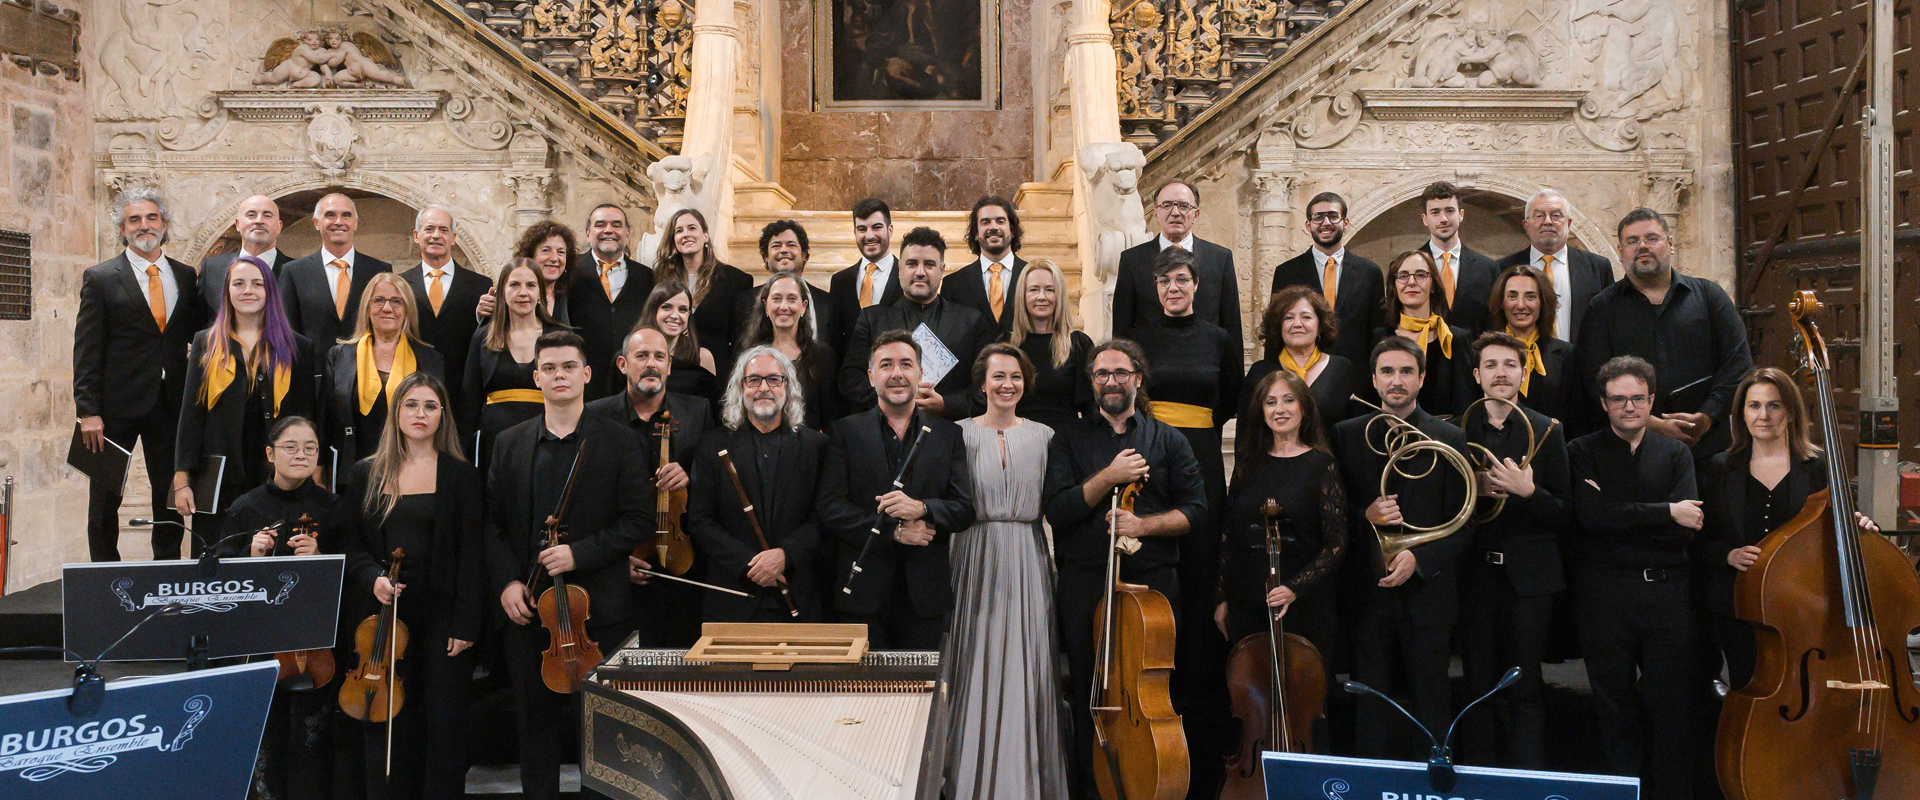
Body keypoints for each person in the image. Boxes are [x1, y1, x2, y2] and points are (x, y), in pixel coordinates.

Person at [484, 330, 649, 800]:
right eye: (550, 368)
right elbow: (492, 524)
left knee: (603, 733)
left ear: (587, 374)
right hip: (530, 610)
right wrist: (508, 582)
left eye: (569, 367)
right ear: (536, 378)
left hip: (599, 612)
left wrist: (580, 553)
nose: (560, 376)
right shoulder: (509, 443)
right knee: (534, 730)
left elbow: (637, 520)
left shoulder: (618, 441)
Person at [1043, 339, 1204, 799]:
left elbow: (1196, 511)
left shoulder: (1169, 439)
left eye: (1120, 373)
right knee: (1090, 692)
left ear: (1138, 378)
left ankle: (1151, 783)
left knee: (1152, 692)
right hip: (1086, 583)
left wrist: (1143, 525)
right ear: (1092, 381)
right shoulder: (1069, 439)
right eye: (1101, 374)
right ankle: (1095, 790)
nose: (1111, 382)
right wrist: (1109, 477)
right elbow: (1059, 510)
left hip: (1152, 586)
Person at [337, 372, 485, 800]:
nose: (421, 414)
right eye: (411, 405)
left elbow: (472, 555)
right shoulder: (367, 473)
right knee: (388, 722)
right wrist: (373, 578)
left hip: (443, 616)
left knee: (444, 723)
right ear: (396, 412)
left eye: (430, 406)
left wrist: (467, 622)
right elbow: (349, 543)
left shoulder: (461, 476)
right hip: (384, 616)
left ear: (443, 415)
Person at [1126, 247, 1242, 791]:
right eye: (1164, 281)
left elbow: (1230, 397)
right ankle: (1155, 679)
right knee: (1156, 562)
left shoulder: (1218, 338)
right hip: (1152, 457)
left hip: (1203, 451)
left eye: (1181, 279)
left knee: (1201, 564)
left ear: (1196, 285)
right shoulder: (1138, 337)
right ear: (1155, 289)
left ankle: (1199, 691)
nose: (1173, 288)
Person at [1330, 337, 1474, 758]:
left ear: (1422, 378)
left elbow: (1464, 521)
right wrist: (1365, 515)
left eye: (1407, 371)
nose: (1397, 380)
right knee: (1370, 702)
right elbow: (1330, 513)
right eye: (1388, 372)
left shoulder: (1450, 436)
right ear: (1374, 380)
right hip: (1368, 594)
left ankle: (1436, 780)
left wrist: (1421, 558)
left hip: (1428, 595)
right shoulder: (1346, 435)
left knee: (1433, 699)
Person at [1567, 355, 1701, 800]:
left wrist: (1620, 514)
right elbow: (1591, 518)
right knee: (1614, 708)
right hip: (1605, 597)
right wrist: (1666, 511)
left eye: (1638, 398)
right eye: (1619, 399)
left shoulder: (1677, 453)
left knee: (1671, 709)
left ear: (1652, 400)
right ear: (1604, 403)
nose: (1629, 406)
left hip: (1666, 595)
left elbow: (1687, 528)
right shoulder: (1581, 451)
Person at [1699, 366, 1880, 689]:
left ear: (1792, 412)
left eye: (1774, 405)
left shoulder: (1818, 466)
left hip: (1803, 603)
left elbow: (1843, 524)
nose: (1763, 415)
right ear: (1741, 414)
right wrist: (1728, 555)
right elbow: (1700, 539)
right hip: (1739, 603)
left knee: (1802, 687)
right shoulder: (1720, 468)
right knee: (1747, 685)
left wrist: (1863, 524)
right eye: (1754, 406)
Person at [945, 343, 1068, 798]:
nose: (1007, 384)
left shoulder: (1045, 436)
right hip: (973, 552)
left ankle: (1024, 782)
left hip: (1027, 555)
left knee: (1026, 660)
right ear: (982, 383)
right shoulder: (956, 434)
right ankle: (969, 781)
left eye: (1015, 376)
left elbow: (1057, 503)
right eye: (998, 376)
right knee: (973, 656)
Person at [219, 415, 354, 800]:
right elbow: (218, 579)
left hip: (317, 643)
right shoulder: (246, 508)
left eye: (310, 448)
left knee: (313, 737)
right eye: (290, 447)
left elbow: (354, 567)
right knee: (266, 737)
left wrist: (321, 557)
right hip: (261, 643)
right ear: (269, 454)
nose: (301, 455)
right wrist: (250, 556)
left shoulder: (333, 507)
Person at [1455, 331, 1570, 769]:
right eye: (1490, 365)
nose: (1500, 373)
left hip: (1530, 581)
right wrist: (1472, 490)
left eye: (1509, 365)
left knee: (1526, 685)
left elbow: (1564, 513)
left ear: (1524, 373)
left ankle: (1527, 779)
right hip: (1474, 576)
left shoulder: (1548, 430)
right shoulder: (1457, 430)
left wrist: (1529, 492)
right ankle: (1479, 780)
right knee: (1478, 684)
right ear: (1476, 375)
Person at [817, 330, 974, 648]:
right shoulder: (844, 431)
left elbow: (964, 509)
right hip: (861, 594)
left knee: (922, 682)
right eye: (886, 365)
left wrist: (922, 508)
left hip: (925, 597)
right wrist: (893, 531)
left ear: (920, 373)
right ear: (871, 376)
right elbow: (830, 508)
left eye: (906, 364)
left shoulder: (948, 434)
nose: (897, 373)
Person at [75, 186, 208, 561]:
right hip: (113, 406)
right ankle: (104, 571)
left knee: (169, 491)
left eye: (152, 218)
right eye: (134, 219)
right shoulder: (101, 277)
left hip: (171, 402)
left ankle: (166, 567)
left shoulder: (185, 275)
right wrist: (88, 410)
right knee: (104, 495)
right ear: (122, 229)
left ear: (164, 225)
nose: (144, 225)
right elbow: (86, 348)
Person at [1214, 369, 1345, 746]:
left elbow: (1336, 544)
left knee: (1305, 705)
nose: (1280, 409)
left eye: (1288, 400)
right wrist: (1222, 597)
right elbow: (1229, 534)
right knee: (1253, 702)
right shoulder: (1248, 462)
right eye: (1270, 402)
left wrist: (1293, 588)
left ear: (1304, 408)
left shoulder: (1322, 464)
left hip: (1304, 605)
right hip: (1248, 599)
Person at [1575, 208, 1752, 460]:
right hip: (1633, 452)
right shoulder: (1601, 309)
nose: (1642, 246)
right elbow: (1593, 381)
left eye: (1652, 238)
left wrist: (1706, 417)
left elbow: (1738, 364)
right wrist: (1652, 424)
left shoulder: (1710, 297)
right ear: (1620, 251)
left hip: (1710, 448)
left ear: (1670, 244)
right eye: (1633, 241)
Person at [173, 255, 317, 548]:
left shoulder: (297, 346)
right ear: (227, 292)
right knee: (217, 555)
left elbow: (305, 419)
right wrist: (182, 479)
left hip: (276, 475)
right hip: (218, 474)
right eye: (238, 284)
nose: (247, 290)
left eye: (257, 284)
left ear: (269, 291)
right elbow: (191, 415)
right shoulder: (206, 342)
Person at [585, 326, 713, 647]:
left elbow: (715, 479)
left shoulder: (698, 411)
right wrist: (614, 564)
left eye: (659, 356)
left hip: (682, 566)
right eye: (641, 356)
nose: (651, 364)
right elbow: (590, 498)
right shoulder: (595, 415)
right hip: (620, 569)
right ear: (622, 364)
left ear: (669, 366)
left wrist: (690, 475)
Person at [683, 346, 829, 621]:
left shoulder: (816, 446)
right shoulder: (712, 444)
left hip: (799, 593)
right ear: (741, 388)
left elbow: (824, 517)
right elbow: (700, 521)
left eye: (774, 379)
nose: (764, 388)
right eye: (754, 380)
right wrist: (749, 563)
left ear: (788, 387)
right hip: (733, 596)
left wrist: (785, 555)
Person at [838, 227, 998, 418]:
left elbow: (986, 388)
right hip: (885, 428)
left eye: (929, 264)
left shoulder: (971, 321)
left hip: (949, 428)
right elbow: (850, 379)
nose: (920, 272)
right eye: (912, 264)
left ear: (942, 270)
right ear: (899, 270)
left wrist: (946, 404)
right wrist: (896, 400)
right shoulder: (872, 319)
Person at [322, 272, 446, 472]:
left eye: (396, 301)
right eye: (379, 300)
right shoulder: (339, 356)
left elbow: (440, 422)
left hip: (412, 467)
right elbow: (324, 420)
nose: (387, 308)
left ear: (407, 310)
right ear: (367, 307)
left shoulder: (430, 359)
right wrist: (319, 471)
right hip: (351, 467)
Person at [1113, 179, 1242, 355]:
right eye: (1167, 205)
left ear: (1196, 214)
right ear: (1156, 213)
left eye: (1183, 206)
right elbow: (1121, 330)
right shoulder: (1132, 260)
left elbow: (1232, 326)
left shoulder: (1219, 258)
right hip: (1150, 362)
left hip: (1205, 361)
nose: (1175, 213)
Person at [462, 259, 564, 467]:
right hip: (494, 441)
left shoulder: (559, 337)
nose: (523, 293)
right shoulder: (483, 338)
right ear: (502, 291)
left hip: (548, 438)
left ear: (540, 292)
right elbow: (469, 400)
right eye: (515, 285)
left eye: (531, 285)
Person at [1271, 191, 1386, 366]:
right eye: (1318, 217)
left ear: (1345, 223)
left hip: (1356, 373)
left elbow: (1378, 331)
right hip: (1299, 372)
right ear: (1308, 225)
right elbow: (1275, 329)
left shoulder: (1369, 272)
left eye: (1333, 216)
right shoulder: (1287, 272)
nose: (1326, 223)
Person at [399, 205, 491, 414]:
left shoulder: (480, 285)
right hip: (412, 389)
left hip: (464, 392)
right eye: (429, 229)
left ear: (453, 238)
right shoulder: (400, 284)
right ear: (416, 236)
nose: (436, 235)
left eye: (443, 230)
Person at [1496, 188, 1614, 347]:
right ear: (1526, 225)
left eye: (1556, 216)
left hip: (1582, 359)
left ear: (1569, 224)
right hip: (1523, 357)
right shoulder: (1504, 268)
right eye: (1539, 216)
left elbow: (1610, 321)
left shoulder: (1597, 267)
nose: (1548, 222)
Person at [1240, 285, 1361, 437]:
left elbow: (1354, 431)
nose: (1297, 324)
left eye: (1306, 317)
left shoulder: (1342, 369)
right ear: (1278, 326)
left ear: (1320, 325)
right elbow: (1245, 434)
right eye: (1289, 318)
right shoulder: (1259, 373)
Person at [280, 193, 393, 349]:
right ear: (316, 223)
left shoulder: (379, 271)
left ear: (355, 223)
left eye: (346, 215)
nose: (339, 222)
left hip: (366, 362)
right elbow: (287, 329)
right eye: (330, 215)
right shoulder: (293, 272)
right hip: (312, 363)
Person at [737, 271, 839, 429]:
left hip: (808, 441)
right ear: (765, 306)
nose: (784, 307)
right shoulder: (748, 356)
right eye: (776, 299)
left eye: (792, 299)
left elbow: (830, 418)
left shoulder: (823, 357)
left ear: (804, 306)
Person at [1381, 249, 1473, 417]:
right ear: (1394, 286)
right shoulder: (1381, 338)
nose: (1411, 282)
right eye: (1403, 276)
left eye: (1420, 275)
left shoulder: (1455, 338)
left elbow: (1464, 405)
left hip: (1444, 431)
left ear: (1433, 285)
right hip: (1393, 430)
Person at [657, 208, 752, 369]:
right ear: (674, 240)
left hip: (717, 371)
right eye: (679, 231)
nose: (686, 234)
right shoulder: (660, 279)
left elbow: (741, 339)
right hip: (671, 369)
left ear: (705, 236)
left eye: (692, 228)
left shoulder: (736, 280)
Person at [1005, 259, 1094, 430]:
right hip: (1015, 439)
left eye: (1049, 290)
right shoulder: (1006, 345)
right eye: (1033, 290)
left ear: (1059, 295)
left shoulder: (1078, 345)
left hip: (1064, 439)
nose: (1041, 297)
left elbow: (1090, 408)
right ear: (1022, 295)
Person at [1484, 263, 1574, 428]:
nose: (1520, 305)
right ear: (1501, 302)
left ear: (1542, 303)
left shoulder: (1566, 354)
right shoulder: (1483, 352)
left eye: (1530, 297)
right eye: (1512, 296)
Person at [1418, 181, 1500, 333]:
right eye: (1435, 212)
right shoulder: (1407, 266)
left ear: (1461, 215)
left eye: (1449, 211)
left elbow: (1493, 323)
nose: (1443, 219)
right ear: (1425, 219)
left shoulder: (1487, 268)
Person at [744, 219, 835, 354]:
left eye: (791, 245)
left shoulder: (829, 302)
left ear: (804, 255)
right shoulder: (743, 302)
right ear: (766, 257)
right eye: (776, 246)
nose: (784, 250)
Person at [827, 197, 902, 355]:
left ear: (890, 230)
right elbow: (834, 340)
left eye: (876, 227)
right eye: (862, 229)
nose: (869, 236)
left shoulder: (906, 277)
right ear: (855, 233)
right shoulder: (840, 281)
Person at [942, 196, 1026, 331]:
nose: (993, 227)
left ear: (1012, 230)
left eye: (1000, 221)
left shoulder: (1033, 276)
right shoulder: (953, 284)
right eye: (985, 222)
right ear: (976, 233)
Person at [577, 204, 653, 352]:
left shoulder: (647, 277)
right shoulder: (570, 270)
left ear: (628, 234)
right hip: (582, 363)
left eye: (616, 225)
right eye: (600, 225)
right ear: (587, 233)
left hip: (631, 363)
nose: (608, 230)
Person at [199, 194, 294, 311]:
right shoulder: (212, 268)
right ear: (237, 224)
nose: (259, 221)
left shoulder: (297, 272)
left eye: (267, 215)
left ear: (279, 227)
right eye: (251, 215)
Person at [640, 280, 721, 405]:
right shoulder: (634, 355)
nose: (675, 315)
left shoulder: (703, 357)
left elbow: (712, 408)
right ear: (653, 310)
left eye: (682, 310)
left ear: (689, 315)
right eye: (666, 307)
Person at [518, 219, 580, 325]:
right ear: (530, 256)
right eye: (546, 250)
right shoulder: (516, 295)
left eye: (561, 252)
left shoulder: (569, 297)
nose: (554, 258)